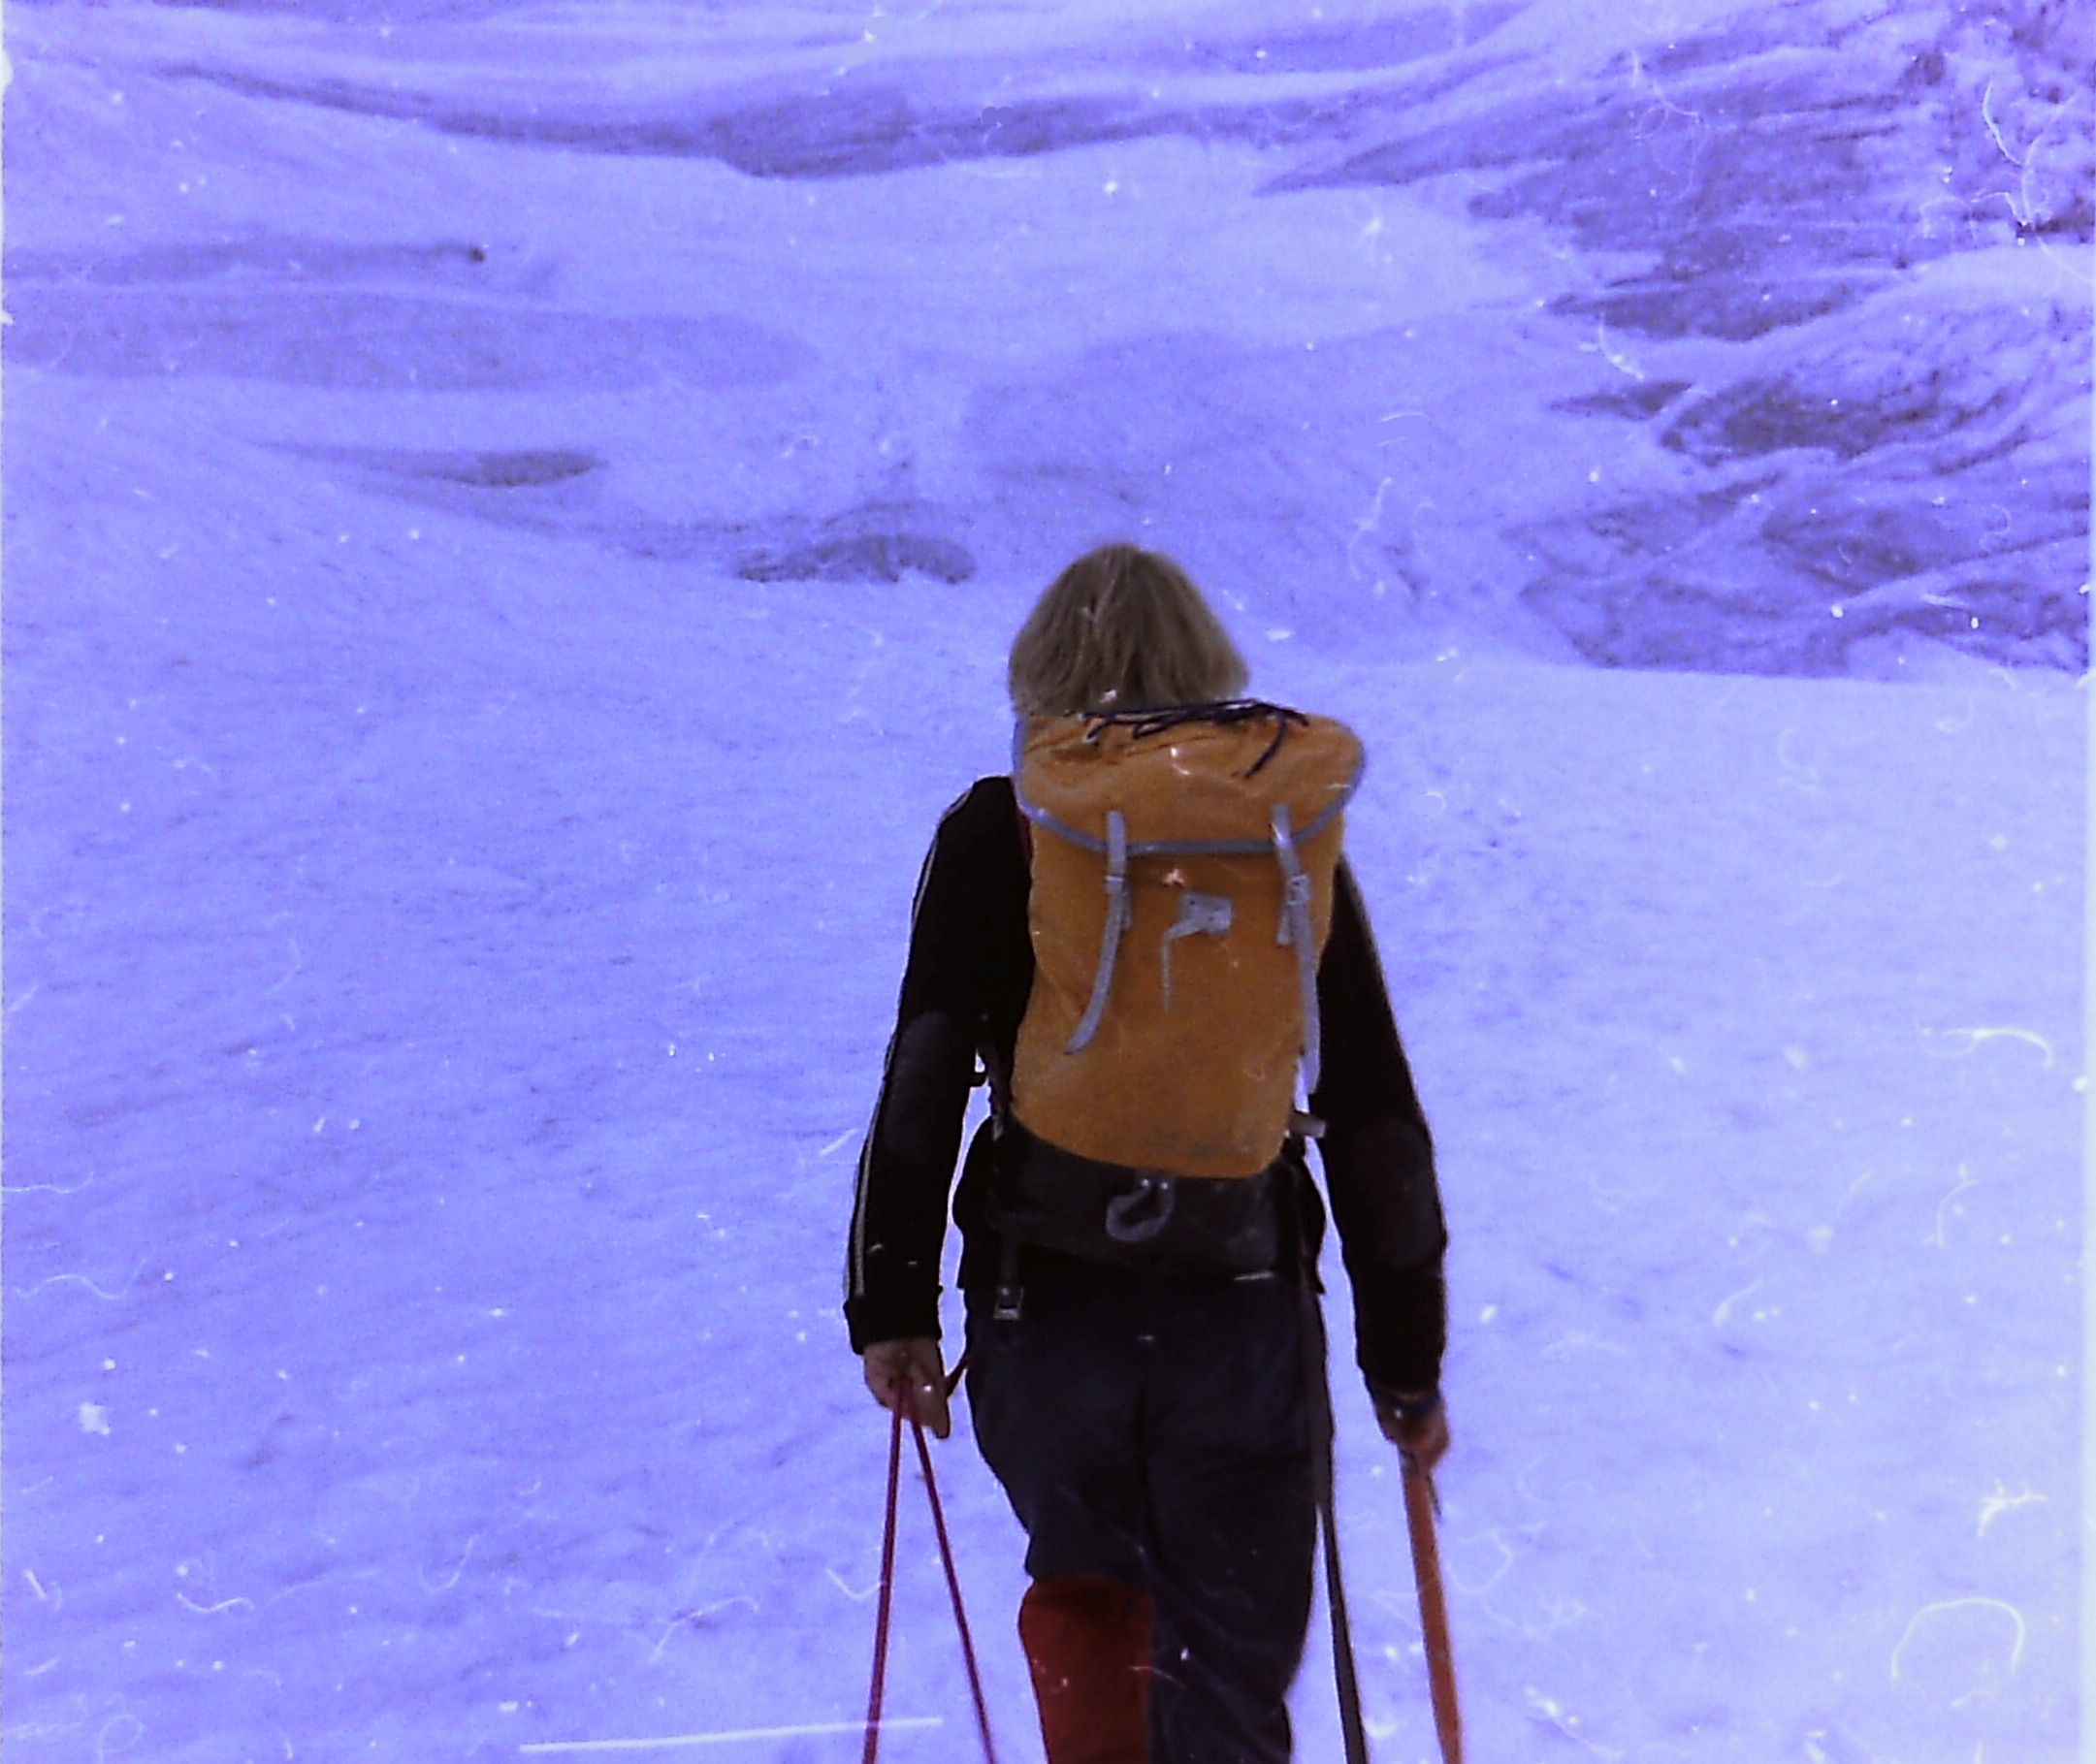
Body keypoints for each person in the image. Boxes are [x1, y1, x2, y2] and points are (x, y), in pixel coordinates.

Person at [845, 543, 1449, 1764]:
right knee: (1223, 1651)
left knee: (1095, 1605)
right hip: (1241, 1309)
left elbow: (921, 1073)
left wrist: (890, 1300)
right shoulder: (1282, 839)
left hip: (1044, 1306)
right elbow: (1371, 1106)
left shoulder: (996, 830)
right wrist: (1406, 1362)